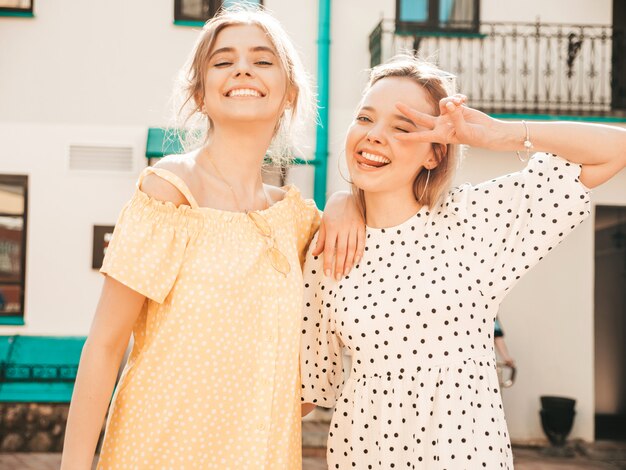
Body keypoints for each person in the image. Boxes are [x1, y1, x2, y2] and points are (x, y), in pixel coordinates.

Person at [61, 6, 364, 469]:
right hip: (156, 453)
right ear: (200, 94)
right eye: (223, 61)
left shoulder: (297, 220)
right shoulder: (168, 191)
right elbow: (104, 344)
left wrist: (347, 200)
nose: (243, 67)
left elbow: (302, 382)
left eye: (263, 60)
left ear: (290, 93)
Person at [300, 54, 626, 469]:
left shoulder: (473, 219)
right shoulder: (328, 243)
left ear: (434, 155)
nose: (375, 136)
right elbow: (308, 389)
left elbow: (617, 149)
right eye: (365, 119)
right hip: (364, 454)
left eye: (403, 127)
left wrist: (500, 135)